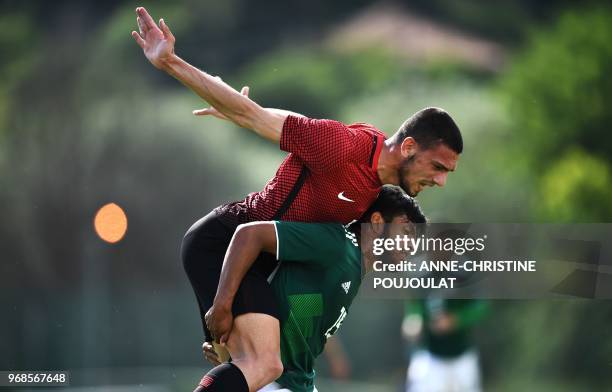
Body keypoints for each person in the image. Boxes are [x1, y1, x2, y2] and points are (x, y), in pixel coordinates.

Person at [131, 6, 462, 390]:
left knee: (253, 369)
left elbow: (269, 115)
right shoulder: (345, 147)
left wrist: (235, 109)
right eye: (438, 167)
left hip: (252, 260)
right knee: (264, 365)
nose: (440, 181)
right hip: (224, 242)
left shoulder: (374, 191)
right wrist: (172, 64)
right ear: (408, 146)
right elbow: (257, 117)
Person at [200, 186, 426, 391]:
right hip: (275, 382)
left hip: (298, 383)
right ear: (377, 222)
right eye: (406, 232)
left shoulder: (353, 267)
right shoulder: (339, 245)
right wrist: (223, 306)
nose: (411, 245)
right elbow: (249, 234)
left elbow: (295, 311)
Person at [402, 299, 489, 392]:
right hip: (431, 356)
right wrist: (414, 320)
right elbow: (415, 308)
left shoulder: (465, 287)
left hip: (462, 357)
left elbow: (482, 307)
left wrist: (456, 319)